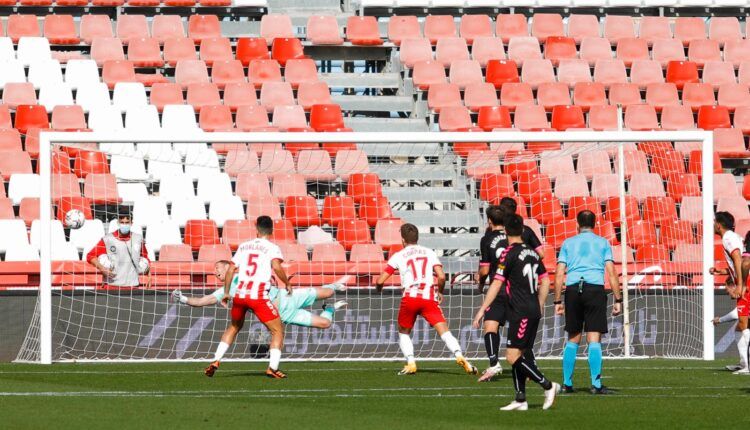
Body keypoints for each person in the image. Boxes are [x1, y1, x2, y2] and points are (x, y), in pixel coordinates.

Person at [473, 214, 559, 411]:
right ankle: (520, 399)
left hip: (520, 310)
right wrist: (539, 303)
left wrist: (482, 310)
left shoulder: (508, 253)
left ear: (506, 232)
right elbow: (545, 280)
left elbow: (496, 283)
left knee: (512, 356)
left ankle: (547, 385)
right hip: (531, 308)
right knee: (519, 353)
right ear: (521, 230)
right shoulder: (532, 252)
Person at [375, 223, 478, 376]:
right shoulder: (429, 252)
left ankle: (411, 362)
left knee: (403, 332)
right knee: (444, 332)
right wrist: (440, 291)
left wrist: (379, 289)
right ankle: (460, 356)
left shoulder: (398, 256)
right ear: (418, 238)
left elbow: (380, 280)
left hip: (410, 297)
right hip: (428, 297)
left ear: (403, 240)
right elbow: (442, 276)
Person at [204, 216, 291, 379]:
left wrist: (227, 292)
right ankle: (272, 368)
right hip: (258, 296)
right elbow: (277, 266)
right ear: (272, 230)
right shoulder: (272, 247)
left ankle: (215, 360)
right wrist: (286, 283)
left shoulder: (244, 246)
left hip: (240, 295)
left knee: (233, 327)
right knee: (277, 330)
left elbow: (230, 269)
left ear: (256, 229)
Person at [553, 210, 622, 394]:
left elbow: (559, 272)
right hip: (594, 290)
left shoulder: (568, 243)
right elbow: (612, 272)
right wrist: (618, 298)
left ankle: (567, 384)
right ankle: (596, 385)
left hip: (573, 290)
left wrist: (557, 300)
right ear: (595, 224)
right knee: (594, 338)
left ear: (577, 224)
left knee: (573, 338)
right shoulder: (602, 243)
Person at [476, 202, 544, 382]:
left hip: (500, 290)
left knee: (491, 325)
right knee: (520, 334)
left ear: (490, 220)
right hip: (521, 291)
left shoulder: (488, 238)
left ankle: (494, 364)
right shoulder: (526, 231)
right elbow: (541, 254)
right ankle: (531, 366)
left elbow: (484, 270)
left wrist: (481, 283)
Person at [173, 260, 348, 330]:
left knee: (328, 291)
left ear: (228, 266)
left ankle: (333, 285)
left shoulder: (246, 272)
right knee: (325, 323)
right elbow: (204, 300)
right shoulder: (224, 291)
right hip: (283, 314)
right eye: (214, 271)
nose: (215, 272)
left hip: (287, 296)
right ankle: (330, 309)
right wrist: (183, 298)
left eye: (217, 268)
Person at [710, 212, 750, 374]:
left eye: (714, 222)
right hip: (745, 280)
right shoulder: (734, 237)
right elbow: (736, 264)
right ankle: (744, 362)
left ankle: (748, 366)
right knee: (740, 327)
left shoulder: (727, 238)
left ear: (719, 224)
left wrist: (740, 285)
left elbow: (739, 260)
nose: (713, 225)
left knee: (743, 323)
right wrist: (721, 271)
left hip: (747, 282)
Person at [86, 210, 150, 288]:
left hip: (133, 286)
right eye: (122, 222)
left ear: (131, 223)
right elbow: (90, 256)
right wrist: (102, 268)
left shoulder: (138, 239)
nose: (124, 225)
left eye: (127, 223)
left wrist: (149, 276)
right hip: (112, 285)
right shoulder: (108, 239)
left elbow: (145, 259)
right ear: (118, 223)